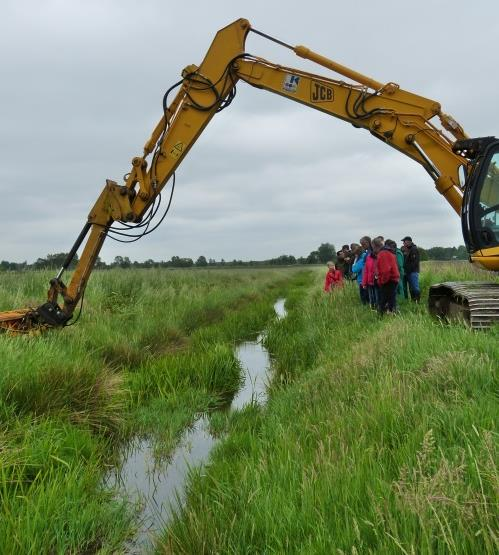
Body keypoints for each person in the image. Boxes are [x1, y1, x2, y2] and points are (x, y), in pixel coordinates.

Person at [378, 239, 400, 313]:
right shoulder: (390, 253)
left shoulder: (383, 253)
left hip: (389, 279)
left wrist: (383, 281)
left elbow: (386, 270)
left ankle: (382, 314)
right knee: (391, 298)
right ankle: (392, 312)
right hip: (393, 278)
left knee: (385, 298)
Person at [352, 237, 370, 305]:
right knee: (367, 297)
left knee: (364, 298)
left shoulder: (362, 259)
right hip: (365, 280)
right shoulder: (365, 256)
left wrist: (355, 260)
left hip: (362, 280)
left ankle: (367, 308)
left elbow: (354, 270)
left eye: (355, 254)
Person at [401, 236, 420, 301]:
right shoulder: (406, 249)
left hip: (413, 272)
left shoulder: (414, 249)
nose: (403, 243)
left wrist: (407, 271)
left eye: (404, 241)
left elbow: (414, 263)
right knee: (411, 288)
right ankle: (413, 301)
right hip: (408, 272)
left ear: (409, 241)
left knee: (415, 288)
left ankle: (417, 301)